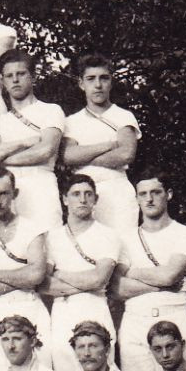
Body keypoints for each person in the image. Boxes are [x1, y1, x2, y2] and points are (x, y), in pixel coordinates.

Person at [115, 171, 186, 371]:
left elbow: (170, 275)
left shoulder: (185, 234)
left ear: (168, 194)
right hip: (135, 320)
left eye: (155, 192)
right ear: (136, 199)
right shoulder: (125, 238)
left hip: (174, 316)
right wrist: (163, 284)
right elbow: (116, 288)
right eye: (142, 194)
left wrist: (132, 272)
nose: (149, 199)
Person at [0, 166, 51, 371]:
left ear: (14, 194)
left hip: (31, 307)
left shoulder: (32, 228)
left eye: (3, 193)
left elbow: (36, 275)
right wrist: (21, 276)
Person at [44, 173, 122, 371]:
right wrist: (86, 280)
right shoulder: (52, 237)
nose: (83, 199)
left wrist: (60, 274)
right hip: (63, 311)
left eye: (88, 194)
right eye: (76, 194)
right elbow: (45, 284)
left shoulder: (108, 235)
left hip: (95, 306)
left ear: (95, 199)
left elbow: (99, 280)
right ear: (65, 199)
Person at [0, 51, 64, 230]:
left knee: (48, 246)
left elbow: (45, 150)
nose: (15, 80)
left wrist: (2, 158)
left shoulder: (50, 110)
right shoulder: (0, 120)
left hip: (41, 184)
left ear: (32, 76)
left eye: (21, 74)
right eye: (9, 76)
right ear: (2, 81)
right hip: (8, 190)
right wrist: (23, 143)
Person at [62, 53, 140, 245]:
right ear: (81, 84)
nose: (98, 85)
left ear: (111, 82)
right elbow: (68, 156)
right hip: (83, 193)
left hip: (117, 191)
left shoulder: (123, 116)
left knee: (123, 249)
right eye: (91, 79)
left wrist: (83, 154)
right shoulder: (72, 121)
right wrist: (107, 145)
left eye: (104, 78)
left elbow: (126, 154)